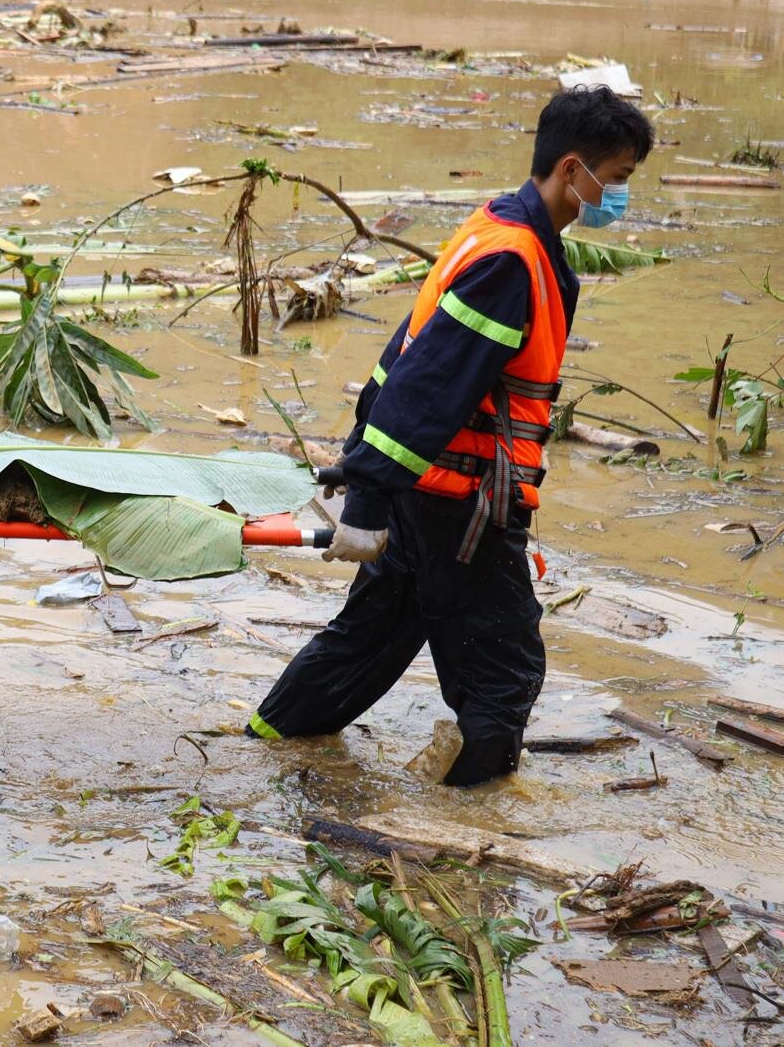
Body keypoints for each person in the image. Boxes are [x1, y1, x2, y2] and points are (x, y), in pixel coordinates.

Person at [246, 86, 655, 787]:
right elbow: (425, 386)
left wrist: (363, 476)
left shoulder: (492, 230)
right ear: (570, 170)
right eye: (614, 179)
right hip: (461, 506)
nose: (616, 196)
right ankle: (475, 828)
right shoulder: (511, 261)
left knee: (367, 640)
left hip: (425, 491)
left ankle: (264, 744)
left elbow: (401, 358)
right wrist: (367, 495)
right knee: (504, 672)